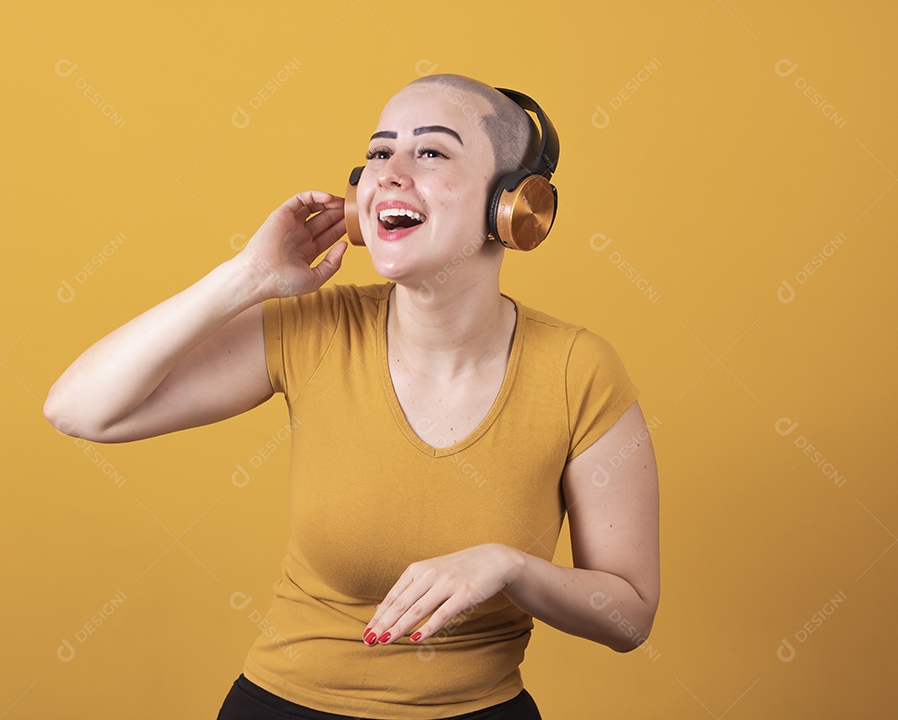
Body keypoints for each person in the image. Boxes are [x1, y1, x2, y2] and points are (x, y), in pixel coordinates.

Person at [44, 73, 659, 720]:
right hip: (285, 705)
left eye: (430, 152)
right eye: (376, 154)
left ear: (511, 203)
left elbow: (629, 614)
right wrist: (246, 277)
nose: (387, 174)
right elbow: (77, 409)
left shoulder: (577, 371)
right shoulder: (315, 328)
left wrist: (508, 567)